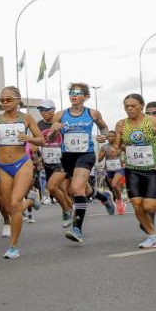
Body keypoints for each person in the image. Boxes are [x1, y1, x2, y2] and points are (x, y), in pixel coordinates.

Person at [49, 82, 115, 243]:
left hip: (85, 154)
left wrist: (104, 136)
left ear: (85, 97)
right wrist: (55, 130)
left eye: (77, 93)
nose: (74, 95)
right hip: (67, 156)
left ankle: (77, 229)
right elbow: (50, 139)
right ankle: (104, 197)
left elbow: (104, 128)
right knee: (82, 189)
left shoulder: (93, 113)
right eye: (71, 92)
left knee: (76, 189)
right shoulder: (60, 114)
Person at [108, 93, 156, 248]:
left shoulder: (153, 122)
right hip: (132, 169)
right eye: (126, 106)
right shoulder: (121, 125)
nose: (129, 109)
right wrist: (114, 149)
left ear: (141, 106)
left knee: (149, 206)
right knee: (137, 204)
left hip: (153, 169)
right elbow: (117, 146)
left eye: (133, 106)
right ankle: (152, 237)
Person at [0, 87, 45, 259]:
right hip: (3, 166)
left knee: (15, 203)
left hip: (22, 164)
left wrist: (28, 138)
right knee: (9, 208)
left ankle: (13, 246)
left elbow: (41, 140)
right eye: (2, 100)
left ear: (17, 100)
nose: (4, 103)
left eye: (8, 99)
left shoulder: (26, 118)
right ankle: (31, 201)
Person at [34, 100, 73, 229]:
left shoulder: (62, 122)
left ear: (53, 110)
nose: (43, 113)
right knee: (61, 190)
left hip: (63, 161)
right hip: (48, 162)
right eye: (41, 110)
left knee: (51, 187)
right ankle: (72, 212)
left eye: (46, 110)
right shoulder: (38, 124)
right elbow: (37, 142)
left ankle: (66, 212)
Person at [97, 142, 127, 215]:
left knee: (114, 184)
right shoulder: (104, 147)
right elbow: (99, 159)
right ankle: (120, 202)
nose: (110, 137)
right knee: (114, 187)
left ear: (115, 137)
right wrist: (103, 154)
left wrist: (124, 161)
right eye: (109, 136)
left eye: (112, 136)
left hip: (119, 168)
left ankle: (118, 202)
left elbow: (129, 153)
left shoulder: (120, 145)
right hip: (109, 169)